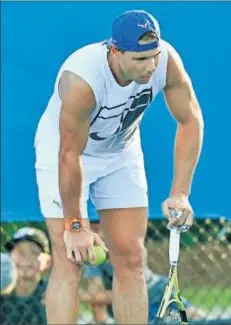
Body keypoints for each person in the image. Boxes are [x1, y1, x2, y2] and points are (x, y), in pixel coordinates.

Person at [34, 9, 204, 324]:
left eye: (153, 57)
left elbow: (190, 119)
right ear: (115, 51)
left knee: (132, 258)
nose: (151, 67)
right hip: (66, 154)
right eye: (140, 60)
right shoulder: (82, 79)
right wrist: (76, 226)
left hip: (121, 152)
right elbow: (69, 154)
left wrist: (180, 193)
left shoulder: (166, 60)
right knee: (69, 259)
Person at [79, 222, 205, 324]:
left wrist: (79, 295)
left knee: (197, 318)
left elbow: (128, 291)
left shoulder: (129, 248)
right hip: (132, 305)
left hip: (158, 292)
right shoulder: (94, 258)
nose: (100, 235)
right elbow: (96, 295)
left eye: (104, 229)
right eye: (95, 230)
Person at [0, 227, 51, 324]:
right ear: (10, 256)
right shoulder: (1, 292)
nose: (26, 259)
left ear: (47, 262)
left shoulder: (53, 294)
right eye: (21, 252)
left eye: (34, 253)